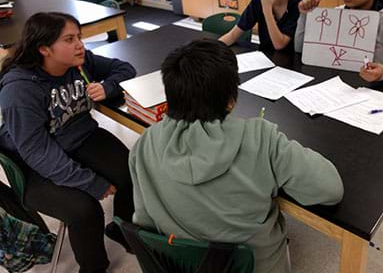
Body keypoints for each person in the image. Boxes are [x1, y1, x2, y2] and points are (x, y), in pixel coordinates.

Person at [129, 39, 344, 273]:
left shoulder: (144, 145)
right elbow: (330, 190)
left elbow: (144, 222)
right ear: (231, 101)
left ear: (170, 96)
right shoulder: (260, 137)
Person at [0, 12, 136, 273]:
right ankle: (94, 267)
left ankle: (119, 228)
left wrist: (108, 87)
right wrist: (90, 182)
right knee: (84, 211)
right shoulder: (19, 89)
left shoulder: (79, 63)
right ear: (44, 49)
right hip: (31, 162)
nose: (80, 45)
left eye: (80, 37)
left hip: (76, 135)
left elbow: (124, 69)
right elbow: (38, 153)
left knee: (130, 170)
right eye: (70, 39)